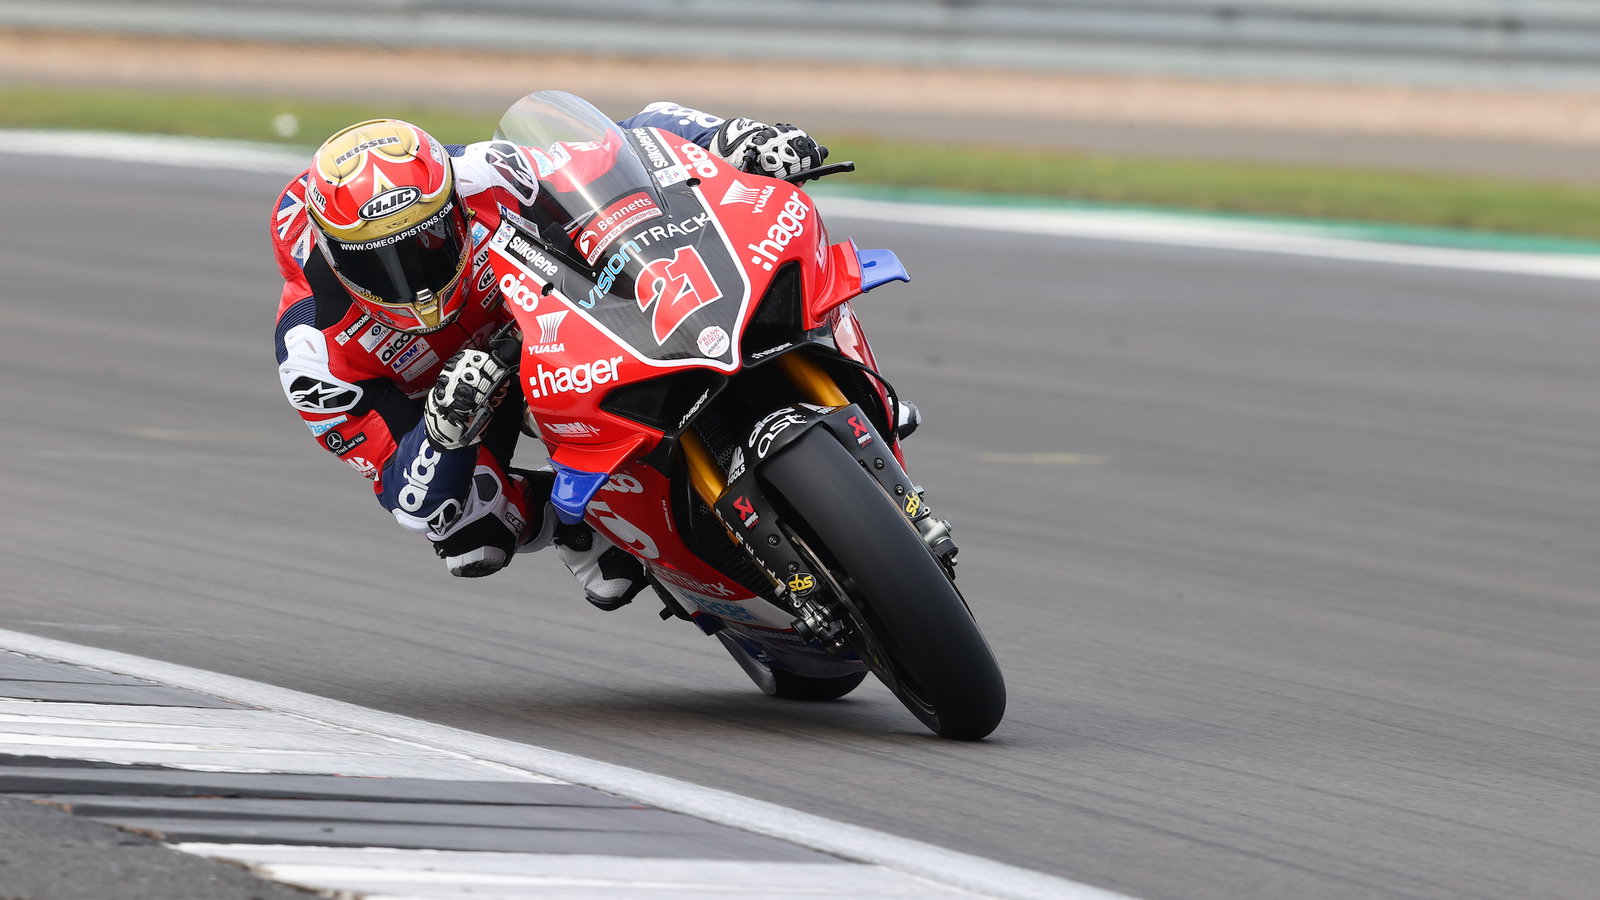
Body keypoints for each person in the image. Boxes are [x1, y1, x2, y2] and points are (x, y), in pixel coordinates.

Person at [271, 100, 826, 609]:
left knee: (760, 243)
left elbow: (629, 141)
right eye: (378, 263)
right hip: (459, 398)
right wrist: (443, 430)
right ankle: (579, 522)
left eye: (428, 242)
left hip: (559, 320)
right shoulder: (312, 351)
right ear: (330, 250)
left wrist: (728, 137)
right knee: (468, 533)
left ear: (455, 209)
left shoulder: (487, 176)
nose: (413, 280)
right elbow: (407, 498)